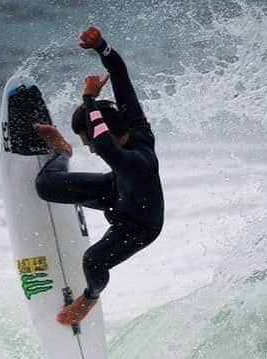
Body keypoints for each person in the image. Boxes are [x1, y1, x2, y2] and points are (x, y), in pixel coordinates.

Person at [33, 26, 164, 326]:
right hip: (115, 192)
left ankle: (90, 298)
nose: (90, 150)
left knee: (93, 261)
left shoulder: (139, 160)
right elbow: (121, 76)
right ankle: (61, 152)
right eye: (84, 144)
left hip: (139, 226)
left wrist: (89, 99)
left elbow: (105, 147)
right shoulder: (134, 123)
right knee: (45, 186)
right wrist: (102, 47)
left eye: (86, 142)